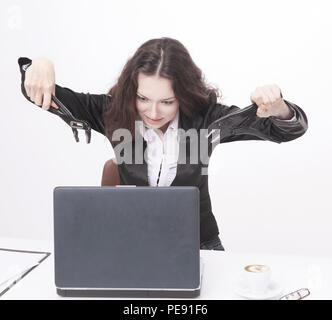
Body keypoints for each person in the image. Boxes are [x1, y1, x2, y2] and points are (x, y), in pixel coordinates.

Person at [17, 37, 308, 251]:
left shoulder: (207, 119)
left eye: (166, 102)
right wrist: (39, 66)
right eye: (143, 98)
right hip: (132, 245)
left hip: (200, 244)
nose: (153, 112)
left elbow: (286, 129)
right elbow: (42, 95)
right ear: (132, 90)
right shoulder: (113, 112)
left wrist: (280, 107)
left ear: (184, 94)